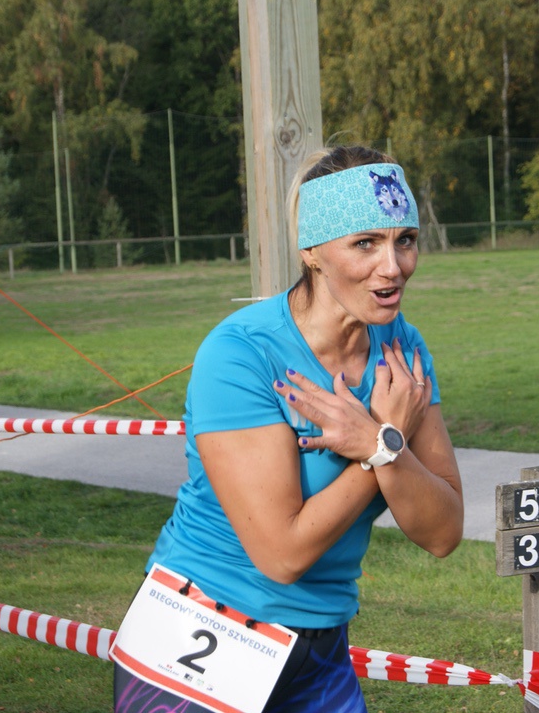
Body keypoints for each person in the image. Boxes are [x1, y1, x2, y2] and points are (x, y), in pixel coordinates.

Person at [114, 145, 464, 713]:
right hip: (203, 629)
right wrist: (380, 447)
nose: (394, 266)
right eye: (365, 243)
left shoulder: (401, 347)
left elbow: (444, 532)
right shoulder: (241, 353)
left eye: (405, 240)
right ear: (312, 251)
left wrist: (380, 444)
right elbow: (281, 555)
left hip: (321, 648)